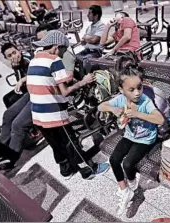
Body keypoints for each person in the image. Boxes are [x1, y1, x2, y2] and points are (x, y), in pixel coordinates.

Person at [28, 30, 110, 179]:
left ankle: (66, 170)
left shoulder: (35, 59)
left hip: (37, 113)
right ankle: (89, 170)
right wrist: (83, 82)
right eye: (64, 50)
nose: (63, 54)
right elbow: (65, 92)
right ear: (57, 47)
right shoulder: (54, 60)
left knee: (56, 144)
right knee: (71, 142)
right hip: (53, 112)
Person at [98, 56, 164, 215]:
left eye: (139, 88)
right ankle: (124, 190)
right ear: (122, 90)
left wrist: (138, 114)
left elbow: (160, 119)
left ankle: (133, 185)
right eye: (132, 90)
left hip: (146, 138)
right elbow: (101, 106)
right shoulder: (120, 99)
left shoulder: (145, 101)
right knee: (114, 159)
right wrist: (113, 109)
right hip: (130, 135)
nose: (137, 93)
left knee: (128, 164)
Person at [0, 43, 35, 169]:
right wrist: (17, 69)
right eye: (9, 56)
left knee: (17, 125)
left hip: (39, 94)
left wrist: (21, 78)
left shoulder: (29, 60)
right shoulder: (17, 65)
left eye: (14, 52)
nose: (14, 56)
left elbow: (34, 78)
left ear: (19, 50)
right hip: (29, 94)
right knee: (8, 115)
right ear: (6, 58)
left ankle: (11, 158)